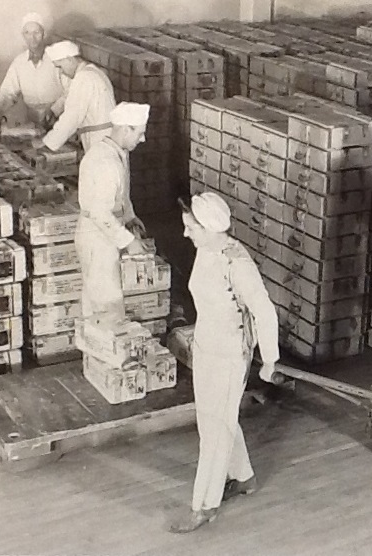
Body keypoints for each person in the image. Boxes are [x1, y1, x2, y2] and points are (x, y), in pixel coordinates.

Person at [169, 192, 279, 534]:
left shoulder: (236, 262)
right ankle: (243, 476)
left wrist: (270, 359)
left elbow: (264, 311)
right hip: (206, 348)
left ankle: (204, 505)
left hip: (230, 355)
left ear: (211, 227)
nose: (186, 233)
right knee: (215, 421)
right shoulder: (206, 249)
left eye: (191, 228)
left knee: (215, 429)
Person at [75, 102, 149, 321]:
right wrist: (128, 241)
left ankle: (96, 350)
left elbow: (121, 194)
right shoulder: (104, 162)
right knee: (107, 306)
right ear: (125, 129)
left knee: (98, 302)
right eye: (140, 133)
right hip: (96, 237)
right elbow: (100, 213)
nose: (142, 139)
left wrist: (130, 217)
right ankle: (105, 351)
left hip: (104, 233)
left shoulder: (117, 153)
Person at [31, 40, 116, 153]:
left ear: (69, 59)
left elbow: (71, 117)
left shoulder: (84, 78)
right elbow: (70, 95)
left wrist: (46, 142)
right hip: (105, 138)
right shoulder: (92, 72)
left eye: (60, 67)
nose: (61, 72)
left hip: (100, 140)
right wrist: (54, 110)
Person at [0, 12, 69, 128]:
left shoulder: (56, 59)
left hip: (60, 117)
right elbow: (7, 91)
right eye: (27, 33)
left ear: (44, 34)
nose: (32, 38)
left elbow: (70, 91)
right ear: (23, 36)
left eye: (37, 32)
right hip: (33, 121)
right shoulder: (19, 62)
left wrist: (55, 110)